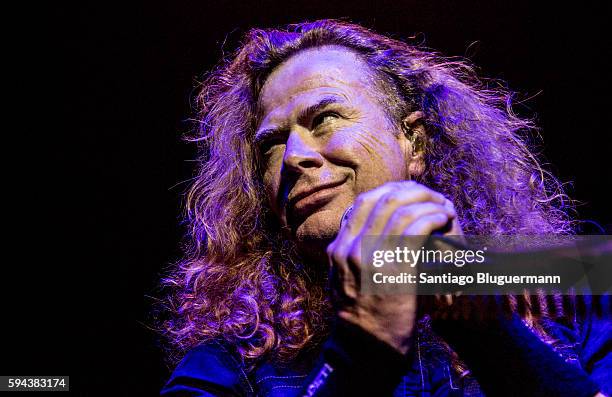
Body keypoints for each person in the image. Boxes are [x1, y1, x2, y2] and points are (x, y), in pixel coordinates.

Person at [160, 19, 610, 396]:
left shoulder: (571, 275)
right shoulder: (232, 351)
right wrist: (362, 351)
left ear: (412, 142)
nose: (295, 155)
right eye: (272, 144)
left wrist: (483, 327)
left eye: (325, 118)